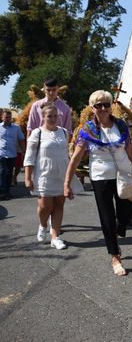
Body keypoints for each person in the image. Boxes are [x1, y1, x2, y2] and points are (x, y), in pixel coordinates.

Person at [64, 90, 132, 276]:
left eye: (106, 104)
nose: (102, 108)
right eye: (98, 105)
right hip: (101, 177)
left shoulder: (121, 125)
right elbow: (76, 157)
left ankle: (118, 229)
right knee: (107, 218)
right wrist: (67, 182)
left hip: (124, 174)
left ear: (111, 106)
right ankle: (115, 255)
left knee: (126, 213)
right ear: (92, 108)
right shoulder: (87, 129)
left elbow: (131, 151)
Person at [24, 104, 76, 249]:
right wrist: (27, 178)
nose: (53, 119)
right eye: (49, 116)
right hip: (44, 176)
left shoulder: (64, 132)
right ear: (43, 117)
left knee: (59, 206)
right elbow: (29, 156)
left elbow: (68, 155)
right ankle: (42, 224)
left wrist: (71, 175)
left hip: (61, 175)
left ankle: (55, 237)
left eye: (55, 116)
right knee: (45, 206)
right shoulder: (37, 133)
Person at [0, 110, 25, 200]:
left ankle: (7, 192)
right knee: (3, 172)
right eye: (6, 117)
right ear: (2, 117)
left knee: (9, 173)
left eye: (9, 117)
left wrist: (23, 151)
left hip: (12, 154)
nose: (8, 119)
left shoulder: (16, 128)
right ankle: (2, 192)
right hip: (1, 154)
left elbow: (21, 139)